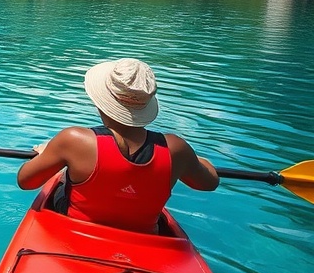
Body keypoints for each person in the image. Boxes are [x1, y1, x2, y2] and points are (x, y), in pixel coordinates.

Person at [16, 58, 219, 234]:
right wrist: (195, 161)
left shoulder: (73, 140)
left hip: (77, 230)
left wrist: (51, 153)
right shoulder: (177, 149)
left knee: (64, 176)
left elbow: (26, 181)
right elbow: (209, 183)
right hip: (145, 238)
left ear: (99, 101)